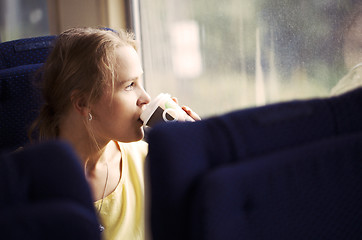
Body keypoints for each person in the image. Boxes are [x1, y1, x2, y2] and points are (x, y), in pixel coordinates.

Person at [29, 27, 200, 240]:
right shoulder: (23, 181)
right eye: (130, 85)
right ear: (83, 103)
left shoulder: (153, 162)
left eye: (140, 82)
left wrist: (199, 159)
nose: (146, 98)